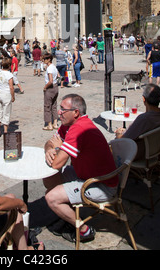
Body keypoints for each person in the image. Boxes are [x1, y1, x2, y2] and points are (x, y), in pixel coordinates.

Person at [43, 94, 118, 244]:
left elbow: (57, 164)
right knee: (49, 177)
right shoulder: (69, 125)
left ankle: (84, 230)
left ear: (76, 112)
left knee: (51, 197)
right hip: (85, 175)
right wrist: (49, 150)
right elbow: (49, 142)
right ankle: (68, 211)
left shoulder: (79, 128)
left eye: (63, 110)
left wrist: (57, 147)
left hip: (101, 184)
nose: (59, 112)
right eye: (60, 109)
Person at [115, 84, 160, 160]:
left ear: (144, 99)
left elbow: (124, 139)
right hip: (154, 151)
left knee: (113, 144)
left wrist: (118, 134)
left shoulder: (144, 118)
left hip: (139, 154)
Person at [0, 58, 15, 139]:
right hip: (6, 94)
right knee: (6, 113)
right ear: (9, 65)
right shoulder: (9, 75)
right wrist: (13, 97)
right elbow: (11, 87)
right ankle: (6, 131)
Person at [42, 53, 59, 131]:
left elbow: (50, 81)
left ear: (49, 59)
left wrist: (45, 87)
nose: (43, 60)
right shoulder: (54, 67)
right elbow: (59, 76)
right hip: (56, 87)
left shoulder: (49, 69)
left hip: (50, 88)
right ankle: (55, 123)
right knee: (54, 105)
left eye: (45, 59)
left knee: (47, 106)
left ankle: (49, 124)